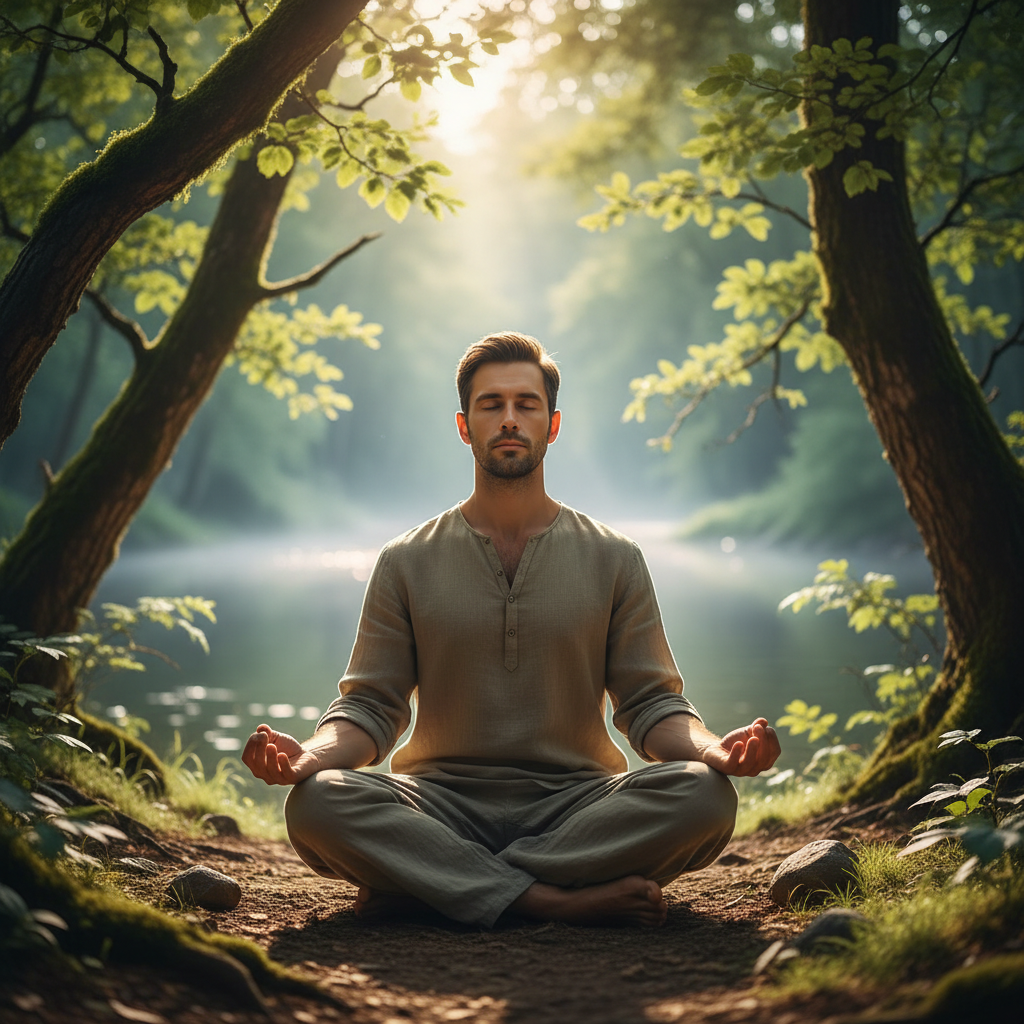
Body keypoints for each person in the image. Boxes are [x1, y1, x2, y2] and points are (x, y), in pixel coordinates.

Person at [242, 331, 780, 929]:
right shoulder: (405, 560)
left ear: (551, 425)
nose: (508, 419)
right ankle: (551, 899)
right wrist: (307, 758)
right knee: (318, 802)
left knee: (704, 795)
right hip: (438, 802)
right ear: (463, 425)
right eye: (490, 404)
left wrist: (715, 751)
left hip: (579, 805)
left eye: (525, 404)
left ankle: (434, 883)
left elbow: (651, 704)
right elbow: (370, 707)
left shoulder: (615, 557)